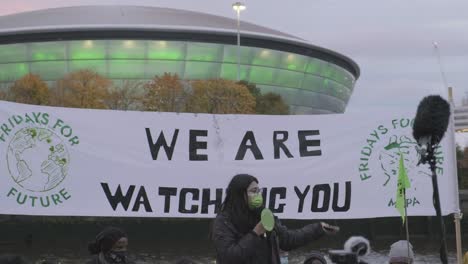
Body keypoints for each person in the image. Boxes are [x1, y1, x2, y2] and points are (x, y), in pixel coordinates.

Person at [211, 174, 339, 264]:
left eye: (259, 190)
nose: (258, 195)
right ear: (240, 195)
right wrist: (255, 233)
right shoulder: (224, 222)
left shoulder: (263, 213)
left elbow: (288, 239)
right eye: (253, 191)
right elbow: (229, 258)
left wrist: (317, 229)